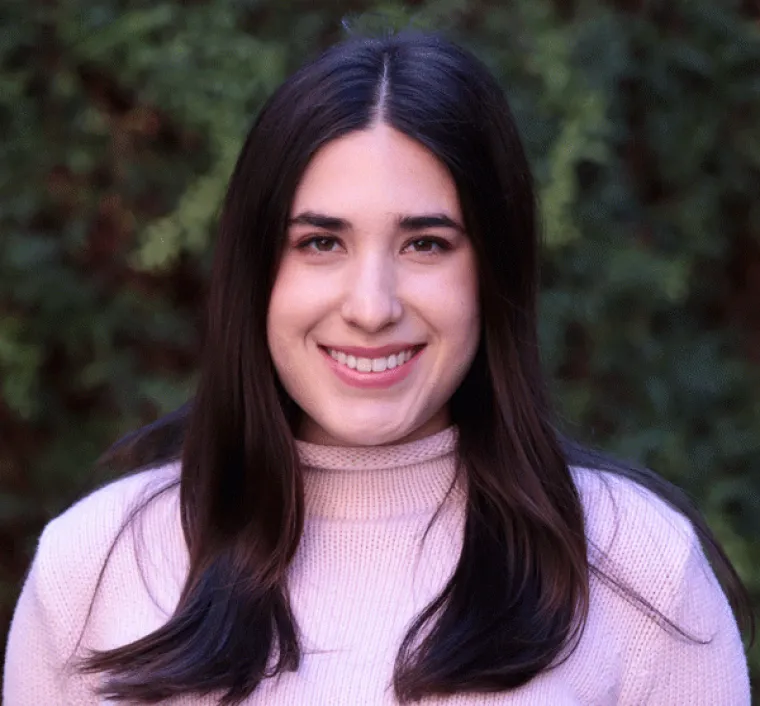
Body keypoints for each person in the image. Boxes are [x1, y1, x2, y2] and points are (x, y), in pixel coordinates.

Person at [3, 31, 753, 706]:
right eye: (321, 243)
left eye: (425, 244)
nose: (371, 306)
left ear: (493, 271)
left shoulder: (640, 571)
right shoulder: (94, 566)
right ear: (257, 273)